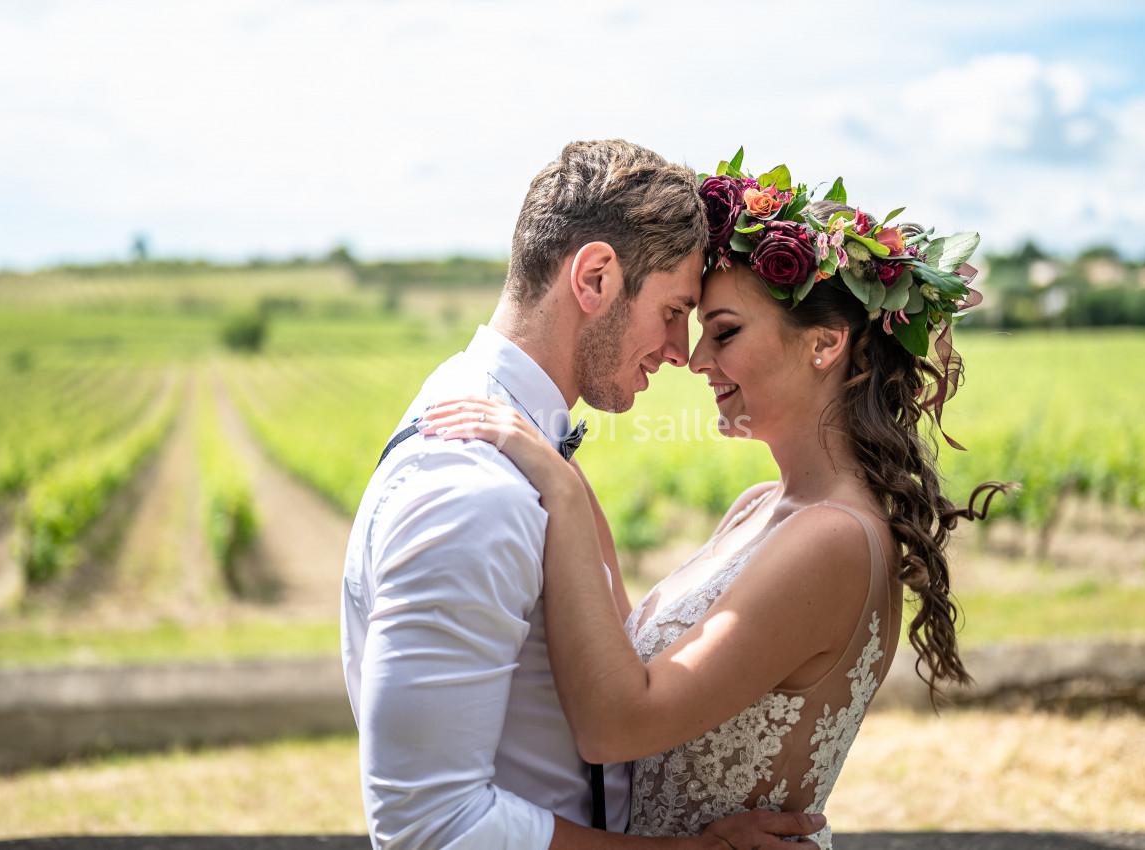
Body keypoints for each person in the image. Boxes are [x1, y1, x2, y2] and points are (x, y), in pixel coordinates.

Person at [417, 150, 1014, 849]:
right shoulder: (760, 508)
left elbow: (615, 726)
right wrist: (564, 471)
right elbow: (626, 651)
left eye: (724, 332)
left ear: (824, 344)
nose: (697, 361)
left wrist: (560, 492)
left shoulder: (835, 540)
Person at [340, 140, 828, 850]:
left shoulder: (520, 447)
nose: (679, 351)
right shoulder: (470, 490)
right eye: (672, 310)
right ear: (596, 277)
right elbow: (430, 830)